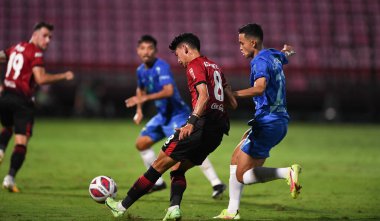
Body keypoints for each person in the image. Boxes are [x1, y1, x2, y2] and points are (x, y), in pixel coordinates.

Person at [105, 33, 237, 220]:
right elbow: (232, 103)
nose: (179, 60)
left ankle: (120, 206)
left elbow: (204, 96)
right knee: (177, 169)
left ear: (185, 49)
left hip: (200, 123)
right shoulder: (215, 67)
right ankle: (174, 208)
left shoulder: (195, 65)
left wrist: (191, 122)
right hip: (218, 131)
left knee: (158, 165)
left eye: (177, 55)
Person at [214, 23, 301, 220]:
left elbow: (260, 87)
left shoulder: (259, 62)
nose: (240, 47)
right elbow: (283, 55)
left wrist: (232, 94)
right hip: (274, 120)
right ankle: (231, 211)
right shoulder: (271, 54)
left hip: (269, 122)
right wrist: (287, 51)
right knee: (235, 159)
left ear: (252, 42)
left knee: (243, 175)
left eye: (241, 43)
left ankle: (286, 173)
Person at [125, 35, 227, 197]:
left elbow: (169, 91)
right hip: (162, 116)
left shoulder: (162, 66)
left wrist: (144, 98)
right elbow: (141, 90)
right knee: (141, 143)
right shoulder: (140, 71)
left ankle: (216, 183)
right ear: (138, 50)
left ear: (155, 51)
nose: (146, 52)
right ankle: (158, 183)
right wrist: (139, 110)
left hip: (177, 114)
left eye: (150, 48)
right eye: (143, 48)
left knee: (188, 149)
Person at [0, 22, 74, 192]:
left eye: (50, 37)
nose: (48, 40)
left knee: (7, 127)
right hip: (22, 101)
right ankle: (9, 178)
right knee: (21, 141)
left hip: (4, 98)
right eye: (45, 35)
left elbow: (2, 56)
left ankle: (1, 149)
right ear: (34, 34)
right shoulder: (36, 52)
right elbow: (40, 79)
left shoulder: (17, 47)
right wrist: (64, 75)